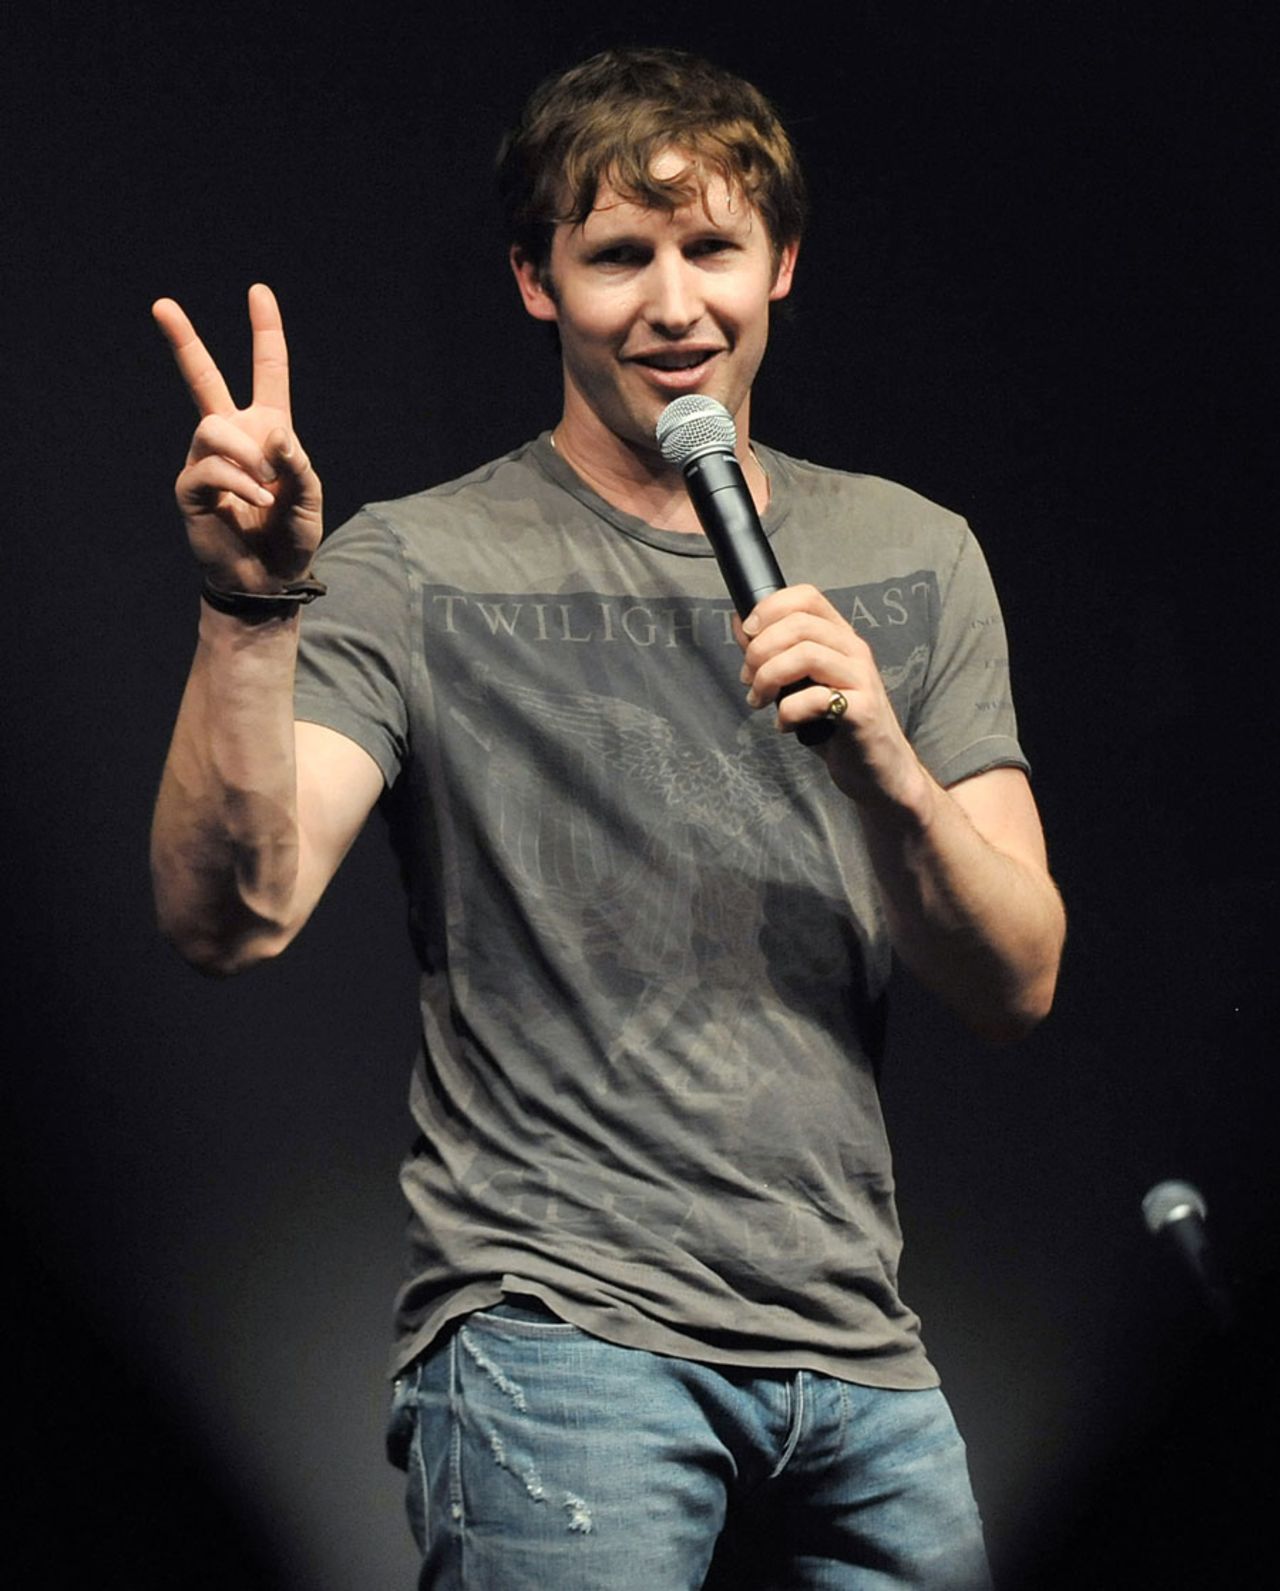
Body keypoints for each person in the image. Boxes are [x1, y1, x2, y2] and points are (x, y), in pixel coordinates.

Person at [151, 45, 1065, 1591]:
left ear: (780, 262)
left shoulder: (914, 553)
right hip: (555, 1340)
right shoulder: (415, 564)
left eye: (710, 248)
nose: (672, 306)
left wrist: (886, 770)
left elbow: (1019, 978)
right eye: (617, 257)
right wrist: (251, 611)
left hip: (859, 1353)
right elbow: (230, 916)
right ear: (536, 280)